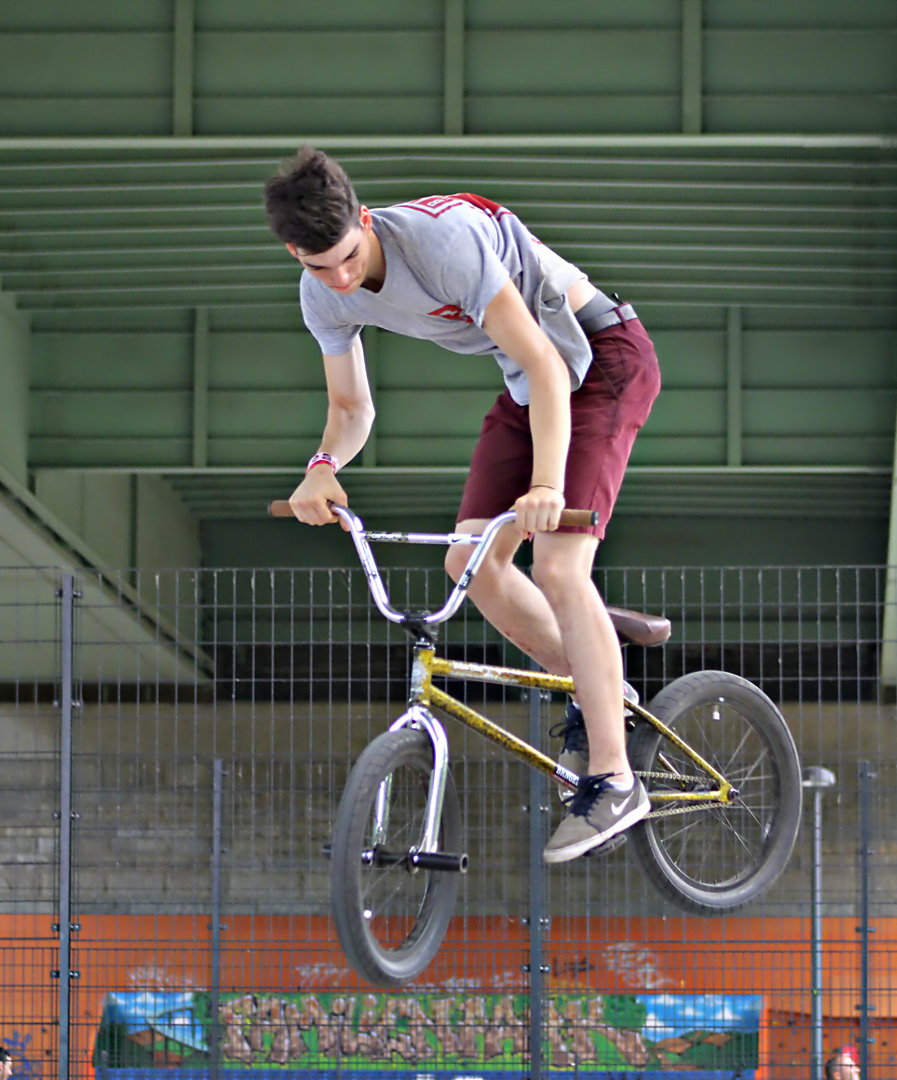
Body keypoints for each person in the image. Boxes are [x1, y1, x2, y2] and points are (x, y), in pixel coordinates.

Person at [265, 147, 662, 862]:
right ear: (296, 252)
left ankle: (616, 776)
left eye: (349, 256)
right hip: (528, 384)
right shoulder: (321, 290)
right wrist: (321, 467)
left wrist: (545, 486)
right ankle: (597, 668)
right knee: (469, 564)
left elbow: (546, 360)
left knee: (559, 569)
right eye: (321, 266)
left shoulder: (441, 242)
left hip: (599, 359)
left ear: (364, 218)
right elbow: (351, 406)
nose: (344, 278)